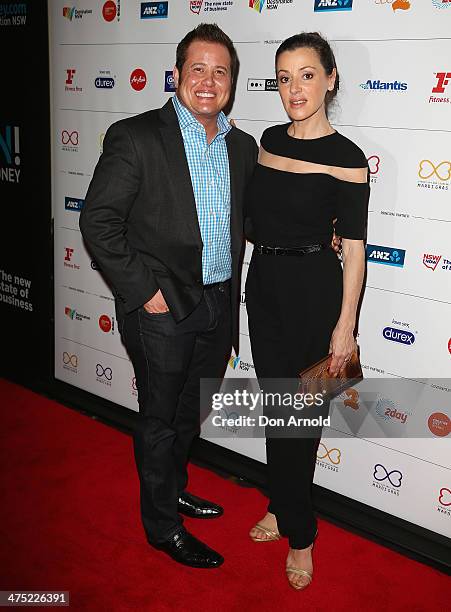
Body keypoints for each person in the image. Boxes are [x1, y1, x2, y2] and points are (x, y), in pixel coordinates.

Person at [79, 23, 257, 569]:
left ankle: (172, 490)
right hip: (161, 308)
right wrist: (145, 293)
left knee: (189, 412)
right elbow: (99, 221)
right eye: (197, 68)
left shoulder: (242, 147)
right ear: (177, 75)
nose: (208, 80)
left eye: (220, 71)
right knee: (159, 419)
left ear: (232, 83)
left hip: (217, 305)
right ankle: (161, 527)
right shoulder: (135, 137)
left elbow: (247, 222)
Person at [244, 32, 369, 590]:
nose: (294, 88)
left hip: (315, 295)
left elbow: (357, 249)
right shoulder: (268, 140)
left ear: (331, 79)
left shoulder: (347, 158)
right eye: (284, 77)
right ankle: (279, 502)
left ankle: (301, 534)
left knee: (302, 423)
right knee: (278, 410)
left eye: (307, 75)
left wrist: (345, 325)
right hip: (263, 286)